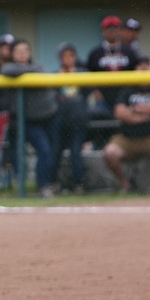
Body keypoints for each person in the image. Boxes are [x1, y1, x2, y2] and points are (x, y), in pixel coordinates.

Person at [103, 56, 150, 194]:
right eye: (139, 66)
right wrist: (143, 114)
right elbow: (119, 112)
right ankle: (126, 185)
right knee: (110, 152)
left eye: (146, 66)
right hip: (129, 137)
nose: (142, 69)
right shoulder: (128, 88)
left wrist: (134, 109)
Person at [1, 40, 60, 197]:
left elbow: (41, 71)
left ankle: (49, 183)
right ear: (12, 54)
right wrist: (29, 71)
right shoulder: (10, 68)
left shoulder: (38, 67)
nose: (22, 53)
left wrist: (29, 71)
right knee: (44, 150)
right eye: (18, 51)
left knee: (52, 152)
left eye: (25, 50)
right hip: (29, 120)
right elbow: (7, 70)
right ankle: (43, 186)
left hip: (49, 115)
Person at [53, 42, 89, 192]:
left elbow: (88, 92)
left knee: (76, 152)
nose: (68, 59)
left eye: (71, 55)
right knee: (55, 152)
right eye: (64, 56)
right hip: (60, 120)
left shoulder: (82, 74)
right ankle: (53, 184)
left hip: (77, 120)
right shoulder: (55, 75)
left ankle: (78, 184)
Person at [86, 15, 138, 120]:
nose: (112, 32)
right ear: (103, 31)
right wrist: (95, 91)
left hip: (125, 96)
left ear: (120, 30)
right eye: (108, 29)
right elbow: (88, 73)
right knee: (102, 123)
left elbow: (136, 71)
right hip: (103, 97)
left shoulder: (129, 51)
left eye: (115, 29)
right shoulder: (96, 52)